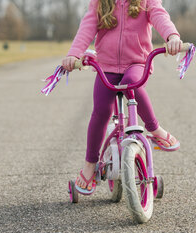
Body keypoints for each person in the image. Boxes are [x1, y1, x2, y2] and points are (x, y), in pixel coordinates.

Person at [62, 0, 182, 194]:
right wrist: (74, 54)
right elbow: (88, 26)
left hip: (136, 63)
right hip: (106, 66)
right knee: (100, 112)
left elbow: (159, 15)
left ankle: (155, 129)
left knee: (131, 84)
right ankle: (90, 165)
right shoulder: (100, 3)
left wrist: (172, 36)